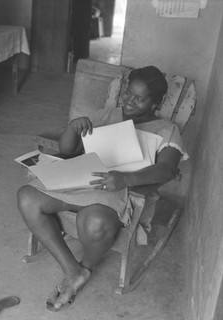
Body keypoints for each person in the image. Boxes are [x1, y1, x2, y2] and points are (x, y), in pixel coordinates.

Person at [17, 66, 189, 311]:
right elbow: (67, 151)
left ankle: (82, 267)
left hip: (119, 190)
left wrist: (126, 179)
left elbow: (167, 170)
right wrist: (73, 128)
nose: (130, 102)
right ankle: (74, 271)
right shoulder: (108, 114)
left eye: (140, 99)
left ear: (156, 102)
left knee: (93, 220)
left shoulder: (166, 130)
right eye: (128, 94)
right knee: (27, 196)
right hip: (84, 179)